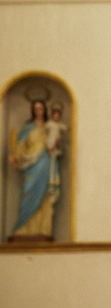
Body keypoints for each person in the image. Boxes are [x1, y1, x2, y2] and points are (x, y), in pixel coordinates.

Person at [7, 99, 56, 240]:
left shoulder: (49, 126)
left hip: (45, 162)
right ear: (33, 111)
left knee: (44, 195)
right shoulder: (28, 127)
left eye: (41, 108)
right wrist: (16, 157)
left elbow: (54, 144)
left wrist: (56, 145)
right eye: (36, 109)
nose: (38, 111)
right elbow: (20, 146)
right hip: (30, 164)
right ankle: (23, 228)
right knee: (28, 192)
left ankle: (43, 229)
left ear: (44, 110)